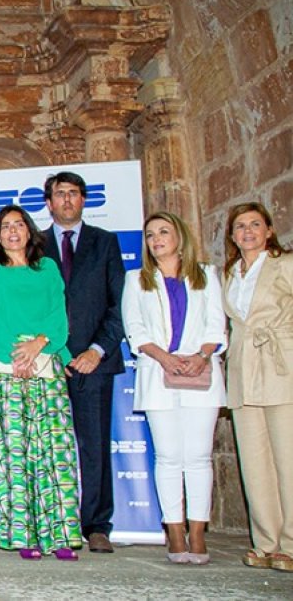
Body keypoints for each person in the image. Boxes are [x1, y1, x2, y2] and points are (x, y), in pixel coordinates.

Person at [0, 205, 81, 561]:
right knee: (15, 454)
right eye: (5, 226)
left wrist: (38, 345)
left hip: (46, 367)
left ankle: (61, 535)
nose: (13, 231)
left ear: (29, 231)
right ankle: (22, 536)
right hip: (6, 373)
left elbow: (58, 316)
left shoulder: (48, 268)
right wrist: (16, 356)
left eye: (19, 224)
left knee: (52, 453)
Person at [122, 212, 226, 565]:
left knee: (197, 457)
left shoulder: (207, 276)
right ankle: (175, 530)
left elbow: (217, 325)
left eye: (164, 232)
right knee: (167, 456)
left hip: (201, 375)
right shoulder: (136, 279)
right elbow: (134, 328)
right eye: (150, 235)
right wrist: (164, 358)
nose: (156, 240)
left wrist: (202, 355)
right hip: (157, 374)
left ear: (180, 237)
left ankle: (198, 532)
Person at [42, 171, 126, 554]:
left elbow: (118, 305)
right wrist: (51, 352)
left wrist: (97, 350)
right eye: (60, 194)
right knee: (46, 447)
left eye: (73, 194)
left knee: (93, 446)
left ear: (83, 200)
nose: (67, 200)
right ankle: (52, 521)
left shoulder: (105, 243)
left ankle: (96, 525)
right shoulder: (33, 245)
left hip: (95, 362)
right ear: (49, 202)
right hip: (48, 363)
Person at [222, 202, 293, 571]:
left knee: (288, 458)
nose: (247, 232)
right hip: (243, 369)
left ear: (268, 229)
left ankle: (291, 544)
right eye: (239, 227)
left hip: (281, 366)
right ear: (232, 236)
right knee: (255, 462)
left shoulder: (284, 264)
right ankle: (266, 542)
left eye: (254, 224)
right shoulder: (231, 273)